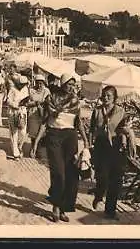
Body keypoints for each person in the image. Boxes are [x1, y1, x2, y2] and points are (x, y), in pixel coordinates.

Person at [40, 73, 89, 223]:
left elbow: (78, 122)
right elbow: (45, 121)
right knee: (58, 173)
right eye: (69, 84)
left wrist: (86, 141)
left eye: (74, 85)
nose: (72, 87)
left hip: (70, 137)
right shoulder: (51, 99)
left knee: (71, 174)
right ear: (62, 84)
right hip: (54, 136)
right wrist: (35, 144)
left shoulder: (75, 101)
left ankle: (62, 208)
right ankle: (55, 205)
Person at [89, 85, 134, 220]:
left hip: (116, 146)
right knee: (102, 177)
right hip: (101, 145)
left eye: (109, 95)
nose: (105, 97)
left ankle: (110, 210)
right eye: (104, 95)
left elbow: (124, 128)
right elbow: (91, 129)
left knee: (116, 179)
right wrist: (89, 145)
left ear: (114, 98)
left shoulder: (121, 111)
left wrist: (126, 136)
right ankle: (98, 195)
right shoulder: (97, 111)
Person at [26, 74, 51, 158]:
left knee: (41, 132)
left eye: (41, 83)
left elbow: (49, 102)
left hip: (43, 113)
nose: (39, 85)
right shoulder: (31, 90)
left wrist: (42, 105)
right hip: (33, 113)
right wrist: (35, 103)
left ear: (44, 83)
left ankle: (38, 149)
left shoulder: (46, 91)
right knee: (33, 133)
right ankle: (33, 148)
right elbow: (27, 103)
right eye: (37, 83)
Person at [6, 75, 30, 160]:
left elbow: (26, 100)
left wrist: (25, 103)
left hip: (22, 112)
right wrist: (16, 105)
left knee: (23, 132)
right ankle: (15, 153)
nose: (22, 86)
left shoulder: (25, 89)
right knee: (14, 133)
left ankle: (20, 146)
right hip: (13, 112)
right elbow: (8, 101)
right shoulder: (12, 89)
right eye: (21, 84)